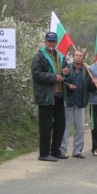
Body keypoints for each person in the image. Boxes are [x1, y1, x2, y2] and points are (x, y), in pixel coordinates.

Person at [31, 31, 71, 162]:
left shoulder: (61, 56)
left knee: (60, 125)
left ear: (56, 42)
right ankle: (44, 153)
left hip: (59, 95)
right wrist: (54, 77)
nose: (51, 44)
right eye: (49, 41)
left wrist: (65, 73)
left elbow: (66, 75)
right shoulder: (39, 56)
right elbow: (36, 74)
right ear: (45, 42)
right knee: (46, 126)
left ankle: (55, 151)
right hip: (46, 96)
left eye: (53, 41)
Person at [61, 49, 96, 159]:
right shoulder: (67, 69)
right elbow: (62, 81)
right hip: (68, 101)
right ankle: (62, 151)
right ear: (73, 56)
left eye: (80, 56)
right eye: (76, 55)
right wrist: (68, 86)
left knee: (80, 127)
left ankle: (77, 151)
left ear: (83, 58)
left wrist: (94, 83)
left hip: (81, 102)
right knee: (65, 127)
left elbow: (91, 88)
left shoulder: (87, 71)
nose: (78, 57)